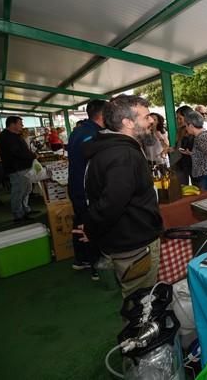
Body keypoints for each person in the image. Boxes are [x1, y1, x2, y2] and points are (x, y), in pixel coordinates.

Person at [81, 95, 163, 299]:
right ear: (127, 123)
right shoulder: (123, 155)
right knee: (141, 303)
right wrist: (92, 228)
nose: (151, 121)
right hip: (134, 244)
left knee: (137, 299)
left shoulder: (112, 148)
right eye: (145, 117)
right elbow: (111, 203)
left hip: (125, 240)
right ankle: (139, 332)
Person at [67, 99, 107, 279]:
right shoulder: (94, 135)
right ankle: (96, 266)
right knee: (92, 224)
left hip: (76, 185)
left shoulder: (79, 130)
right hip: (86, 189)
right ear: (103, 114)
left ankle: (80, 259)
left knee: (80, 221)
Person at [0, 116, 36, 222]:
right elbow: (17, 152)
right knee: (19, 192)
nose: (22, 126)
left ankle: (25, 209)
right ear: (12, 124)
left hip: (23, 167)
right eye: (20, 123)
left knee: (27, 189)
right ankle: (18, 215)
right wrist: (32, 156)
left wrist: (31, 155)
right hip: (16, 169)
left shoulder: (15, 135)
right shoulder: (6, 137)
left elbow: (22, 150)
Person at [183, 109, 207, 193]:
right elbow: (204, 154)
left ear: (191, 126)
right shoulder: (204, 135)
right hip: (206, 175)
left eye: (186, 126)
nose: (186, 129)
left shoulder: (201, 138)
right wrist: (191, 153)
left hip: (206, 176)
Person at [172, 105, 193, 185]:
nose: (178, 121)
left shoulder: (193, 131)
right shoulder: (180, 130)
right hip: (181, 165)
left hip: (191, 166)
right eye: (177, 118)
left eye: (180, 118)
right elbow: (179, 147)